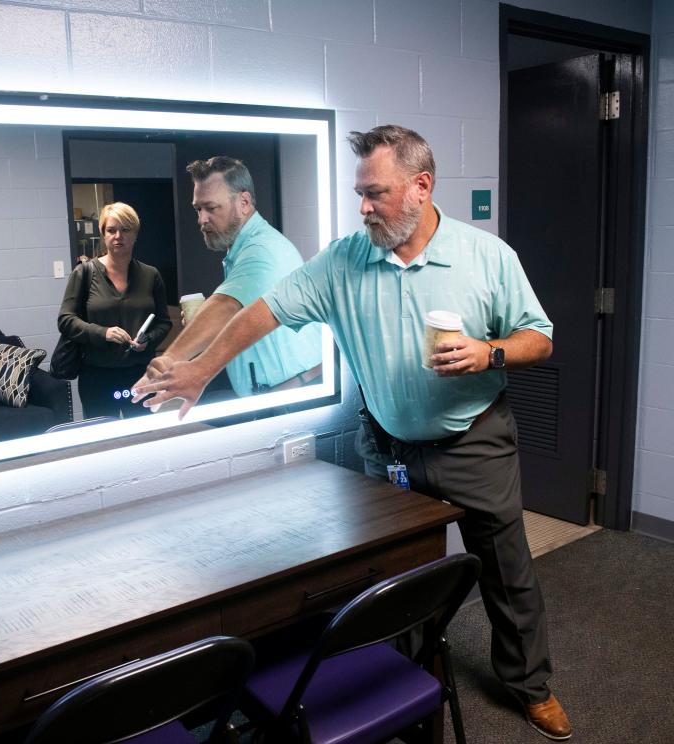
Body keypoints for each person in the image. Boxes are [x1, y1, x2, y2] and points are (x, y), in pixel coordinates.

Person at [133, 126, 573, 741]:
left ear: (421, 187)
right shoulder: (344, 259)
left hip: (474, 441)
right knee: (404, 582)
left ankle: (531, 686)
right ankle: (415, 681)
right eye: (359, 194)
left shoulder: (486, 256)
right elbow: (262, 309)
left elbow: (540, 336)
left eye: (377, 194)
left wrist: (488, 352)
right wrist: (202, 370)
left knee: (505, 569)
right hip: (390, 450)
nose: (363, 208)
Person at [132, 156, 322, 401]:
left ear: (244, 202)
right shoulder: (242, 251)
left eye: (211, 208)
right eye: (198, 209)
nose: (201, 220)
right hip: (286, 392)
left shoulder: (262, 249)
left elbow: (224, 306)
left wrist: (168, 360)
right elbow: (236, 316)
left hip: (295, 395)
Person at [57, 202, 172, 419]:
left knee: (143, 438)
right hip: (97, 375)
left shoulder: (151, 275)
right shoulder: (84, 273)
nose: (118, 236)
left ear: (135, 234)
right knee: (103, 442)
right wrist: (104, 333)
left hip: (141, 374)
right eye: (111, 230)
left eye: (125, 230)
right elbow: (65, 319)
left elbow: (165, 322)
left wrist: (149, 339)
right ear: (103, 234)